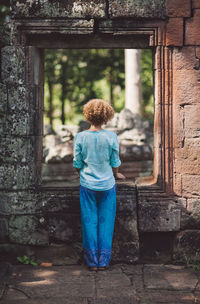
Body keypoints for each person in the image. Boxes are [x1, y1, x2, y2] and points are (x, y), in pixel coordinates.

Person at [73, 99, 125, 271]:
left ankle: (91, 262)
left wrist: (79, 173)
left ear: (87, 115)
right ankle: (103, 261)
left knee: (89, 222)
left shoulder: (80, 136)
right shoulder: (111, 136)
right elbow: (115, 160)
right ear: (107, 116)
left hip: (87, 184)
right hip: (108, 185)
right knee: (106, 223)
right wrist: (116, 174)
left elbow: (77, 163)